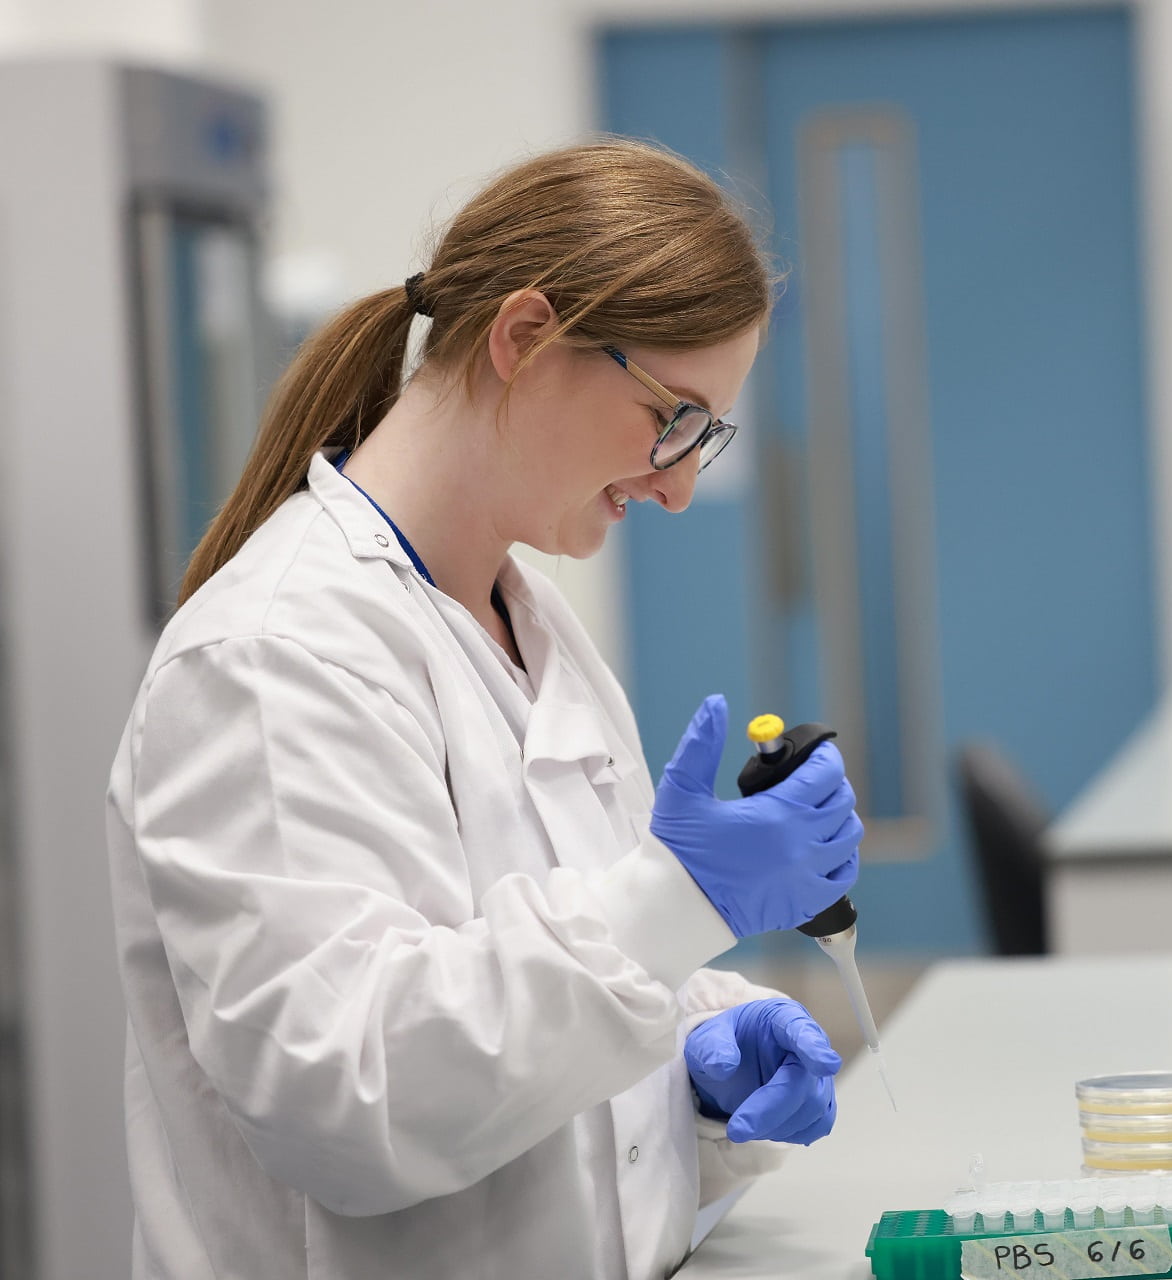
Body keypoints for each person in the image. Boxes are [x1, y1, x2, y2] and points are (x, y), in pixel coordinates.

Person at [104, 139, 862, 1280]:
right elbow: (348, 1097)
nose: (680, 482)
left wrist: (695, 1053)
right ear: (523, 338)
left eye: (707, 435)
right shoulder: (271, 655)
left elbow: (541, 968)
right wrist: (677, 901)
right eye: (674, 416)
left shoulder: (526, 620)